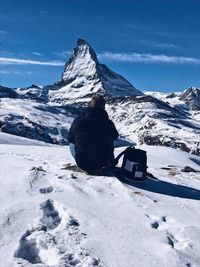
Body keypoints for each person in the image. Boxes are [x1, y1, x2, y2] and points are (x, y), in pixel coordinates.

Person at [68, 95, 118, 173]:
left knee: (72, 143)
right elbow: (115, 136)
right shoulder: (108, 123)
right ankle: (108, 161)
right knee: (110, 141)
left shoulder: (79, 120)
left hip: (83, 164)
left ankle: (84, 159)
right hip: (102, 163)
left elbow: (70, 138)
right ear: (103, 107)